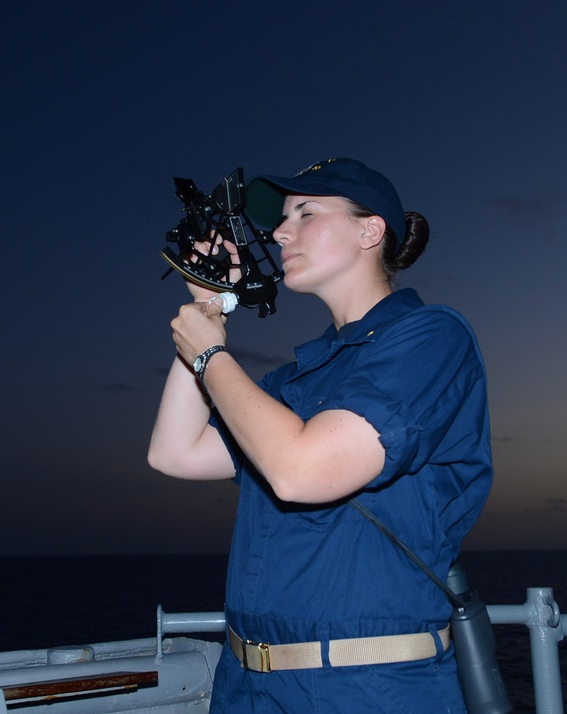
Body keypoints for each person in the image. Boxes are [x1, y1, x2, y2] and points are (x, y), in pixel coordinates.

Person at [148, 157, 492, 713]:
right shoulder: (296, 378)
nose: (281, 232)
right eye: (282, 218)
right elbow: (174, 452)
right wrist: (205, 305)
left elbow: (301, 471)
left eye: (305, 213)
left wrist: (210, 354)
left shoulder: (432, 339)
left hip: (368, 687)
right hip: (246, 685)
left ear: (370, 230)